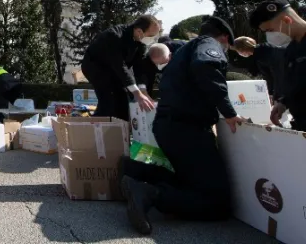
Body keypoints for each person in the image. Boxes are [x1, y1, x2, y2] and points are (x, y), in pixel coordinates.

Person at [120, 15, 246, 235]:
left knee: (190, 180)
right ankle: (149, 193)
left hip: (171, 126)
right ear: (225, 38)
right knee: (217, 202)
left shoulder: (184, 51)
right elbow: (206, 67)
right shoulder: (209, 44)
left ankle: (136, 172)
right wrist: (229, 113)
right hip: (188, 128)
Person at [81, 15, 160, 121]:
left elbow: (139, 67)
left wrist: (142, 90)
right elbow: (119, 65)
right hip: (96, 67)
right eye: (151, 36)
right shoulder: (113, 36)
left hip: (115, 69)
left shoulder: (141, 43)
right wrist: (137, 93)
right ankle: (97, 128)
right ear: (139, 31)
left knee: (123, 100)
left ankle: (123, 129)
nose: (153, 39)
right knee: (109, 99)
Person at [249, 0, 306, 131]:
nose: (270, 36)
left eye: (270, 29)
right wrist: (283, 103)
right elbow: (297, 85)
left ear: (286, 20)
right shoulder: (291, 50)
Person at [233, 36, 286, 106]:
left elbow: (272, 75)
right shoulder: (263, 48)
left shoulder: (260, 57)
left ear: (241, 50)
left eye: (238, 51)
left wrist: (274, 95)